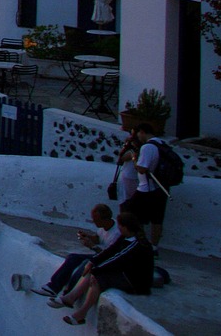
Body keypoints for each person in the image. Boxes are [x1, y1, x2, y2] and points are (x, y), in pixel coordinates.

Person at [49, 212, 154, 326]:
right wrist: (93, 261)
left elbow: (118, 259)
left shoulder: (137, 244)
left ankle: (81, 313)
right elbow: (110, 251)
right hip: (125, 273)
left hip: (136, 280)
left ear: (125, 227)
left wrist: (95, 269)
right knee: (93, 271)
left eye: (120, 226)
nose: (118, 228)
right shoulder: (125, 237)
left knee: (97, 278)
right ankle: (70, 298)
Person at [31, 203, 121, 301]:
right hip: (99, 256)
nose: (94, 222)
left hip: (108, 260)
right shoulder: (103, 226)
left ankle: (68, 293)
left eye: (96, 220)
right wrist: (87, 236)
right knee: (72, 257)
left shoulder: (117, 233)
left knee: (84, 265)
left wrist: (92, 246)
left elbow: (109, 254)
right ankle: (53, 287)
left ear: (104, 219)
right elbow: (99, 238)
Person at [122, 123, 169, 253]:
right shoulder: (162, 144)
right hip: (161, 187)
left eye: (138, 133)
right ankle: (154, 248)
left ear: (142, 132)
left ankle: (139, 244)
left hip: (147, 188)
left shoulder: (148, 147)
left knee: (129, 214)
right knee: (157, 219)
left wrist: (134, 159)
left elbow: (142, 169)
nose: (137, 136)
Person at [116, 134, 141, 202]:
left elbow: (122, 158)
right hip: (131, 176)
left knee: (127, 199)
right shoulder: (134, 152)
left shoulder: (132, 152)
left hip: (130, 177)